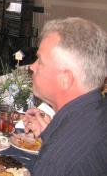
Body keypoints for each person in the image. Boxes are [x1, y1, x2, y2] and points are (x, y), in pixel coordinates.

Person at [23, 17, 107, 176]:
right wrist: (52, 134)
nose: (32, 67)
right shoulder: (98, 112)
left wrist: (59, 143)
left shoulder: (58, 161)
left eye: (40, 61)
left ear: (65, 79)